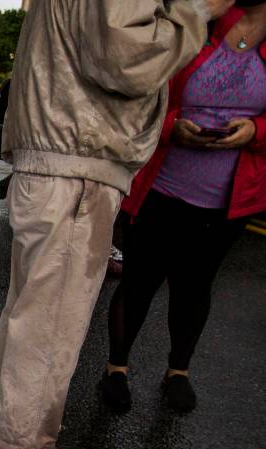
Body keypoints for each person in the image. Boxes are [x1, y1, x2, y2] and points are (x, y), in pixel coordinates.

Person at [0, 0, 229, 449]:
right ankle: (22, 441)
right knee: (55, 315)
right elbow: (129, 57)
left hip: (53, 152)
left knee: (31, 304)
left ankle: (0, 417)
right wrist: (195, 11)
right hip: (80, 152)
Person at [101, 0, 266, 414]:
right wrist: (172, 124)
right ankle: (116, 368)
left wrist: (256, 130)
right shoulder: (199, 21)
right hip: (162, 185)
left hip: (229, 197)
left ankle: (179, 371)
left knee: (195, 285)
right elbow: (144, 90)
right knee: (139, 280)